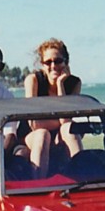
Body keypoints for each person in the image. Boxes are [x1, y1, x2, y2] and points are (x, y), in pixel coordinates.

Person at [23, 38, 82, 176]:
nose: (53, 65)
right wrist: (60, 121)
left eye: (58, 61)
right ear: (42, 64)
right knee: (42, 133)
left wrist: (61, 84)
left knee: (69, 129)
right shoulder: (33, 80)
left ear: (66, 62)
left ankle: (82, 177)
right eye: (48, 62)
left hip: (59, 136)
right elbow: (35, 124)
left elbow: (66, 122)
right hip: (30, 137)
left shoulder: (73, 83)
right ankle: (38, 186)